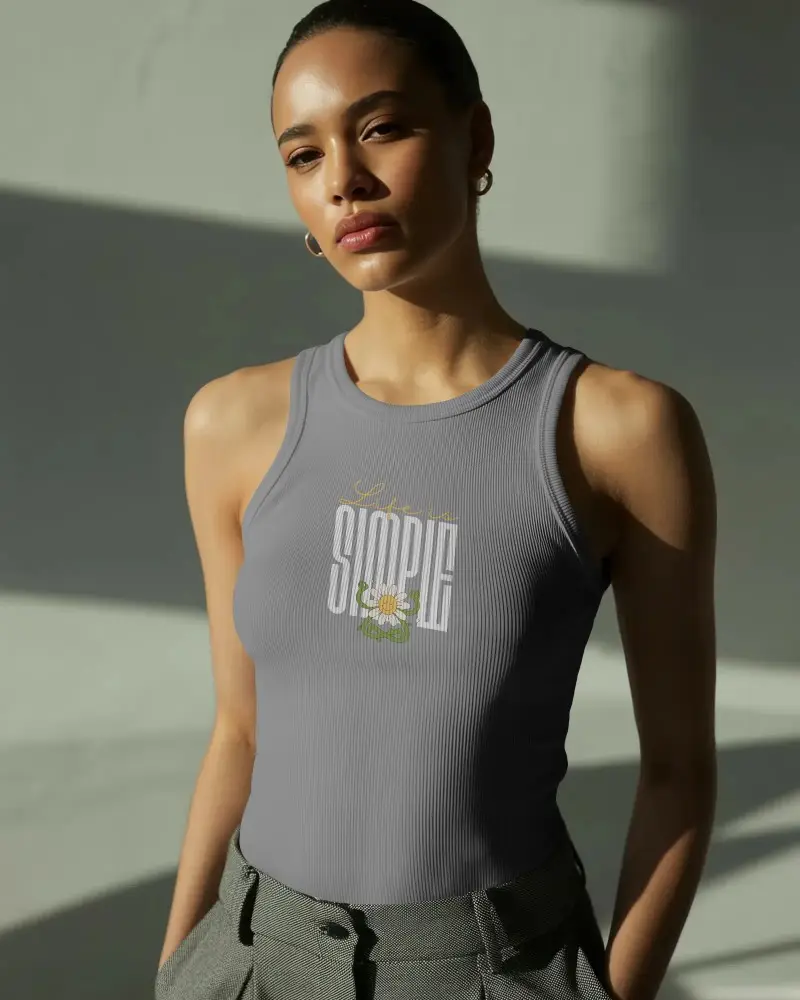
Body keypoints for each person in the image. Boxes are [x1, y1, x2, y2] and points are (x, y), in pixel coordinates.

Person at [154, 2, 718, 998]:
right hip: (248, 956)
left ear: (476, 139)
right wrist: (178, 969)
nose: (343, 179)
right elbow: (240, 730)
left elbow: (677, 772)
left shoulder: (616, 430)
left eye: (381, 127)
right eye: (303, 154)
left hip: (488, 967)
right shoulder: (231, 424)